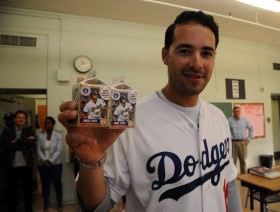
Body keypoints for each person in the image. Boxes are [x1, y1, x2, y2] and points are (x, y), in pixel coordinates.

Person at [58, 10, 242, 212]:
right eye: (185, 51)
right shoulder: (129, 120)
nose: (197, 63)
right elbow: (96, 205)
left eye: (206, 53)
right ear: (165, 55)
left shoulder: (219, 118)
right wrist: (89, 161)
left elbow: (229, 182)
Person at [2, 110, 36, 212]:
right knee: (12, 191)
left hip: (26, 165)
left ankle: (28, 209)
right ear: (14, 119)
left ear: (25, 120)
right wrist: (23, 142)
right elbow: (6, 145)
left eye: (23, 118)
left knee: (28, 191)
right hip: (12, 166)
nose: (21, 119)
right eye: (19, 117)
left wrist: (15, 141)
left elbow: (31, 143)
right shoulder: (6, 131)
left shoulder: (29, 130)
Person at [36, 116, 63, 212]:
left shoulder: (59, 135)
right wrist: (44, 160)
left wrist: (50, 161)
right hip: (43, 165)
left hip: (56, 164)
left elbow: (59, 150)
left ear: (53, 124)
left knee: (57, 184)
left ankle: (60, 203)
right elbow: (38, 150)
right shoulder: (40, 135)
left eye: (49, 123)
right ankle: (46, 205)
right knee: (45, 185)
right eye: (46, 123)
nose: (47, 125)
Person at [228, 105, 254, 174]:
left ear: (240, 112)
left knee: (243, 161)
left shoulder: (245, 120)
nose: (237, 113)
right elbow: (225, 131)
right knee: (233, 161)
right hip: (233, 143)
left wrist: (249, 139)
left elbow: (251, 129)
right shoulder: (229, 120)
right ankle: (233, 175)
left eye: (238, 111)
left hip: (243, 143)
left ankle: (244, 176)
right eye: (235, 111)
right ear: (233, 112)